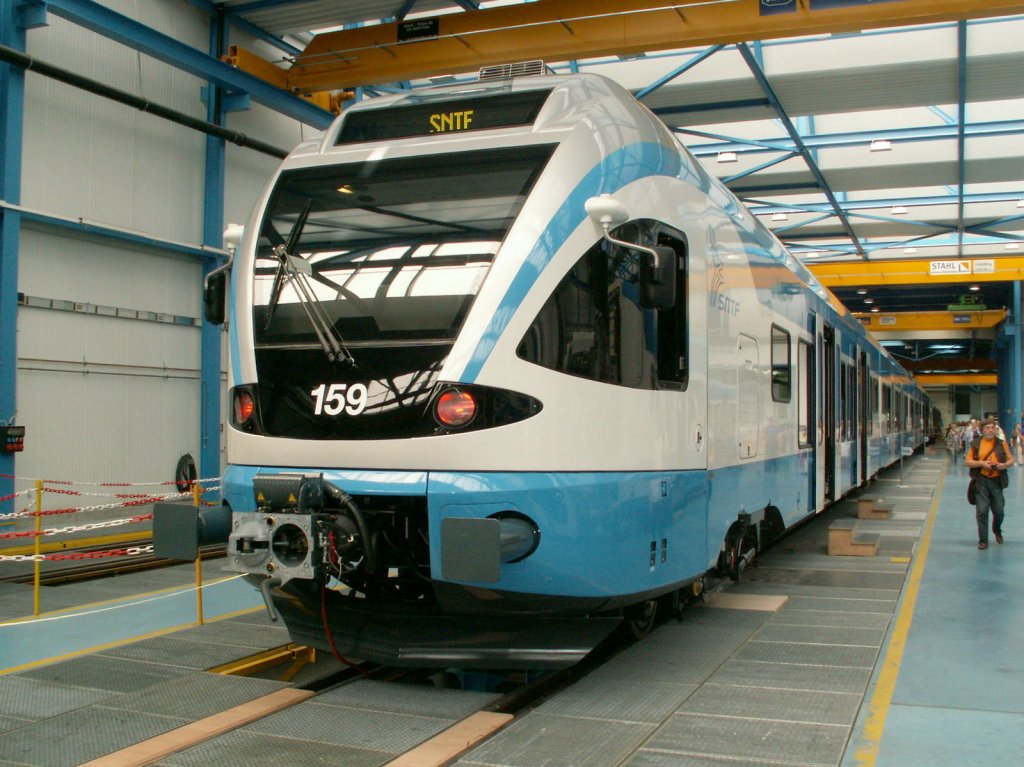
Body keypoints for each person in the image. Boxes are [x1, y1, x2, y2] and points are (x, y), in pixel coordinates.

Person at [966, 417, 1013, 549]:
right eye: (988, 427)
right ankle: (983, 540)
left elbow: (1010, 460)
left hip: (997, 482)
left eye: (993, 427)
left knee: (999, 511)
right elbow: (967, 462)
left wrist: (1003, 465)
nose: (991, 430)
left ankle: (997, 530)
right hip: (982, 482)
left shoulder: (1001, 443)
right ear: (982, 430)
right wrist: (981, 463)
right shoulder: (976, 444)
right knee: (982, 511)